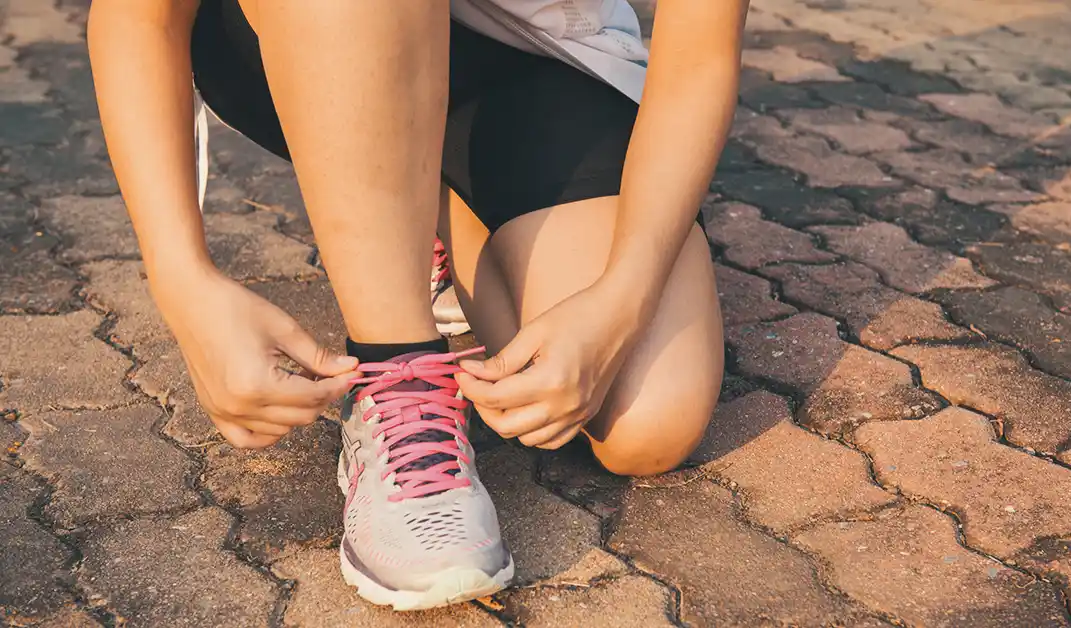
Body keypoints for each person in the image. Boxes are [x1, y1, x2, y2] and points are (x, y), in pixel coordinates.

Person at [88, 0, 747, 611]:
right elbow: (138, 17)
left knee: (645, 420)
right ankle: (396, 373)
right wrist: (182, 281)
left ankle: (421, 205)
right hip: (319, 29)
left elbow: (701, 55)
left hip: (542, 55)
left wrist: (621, 301)